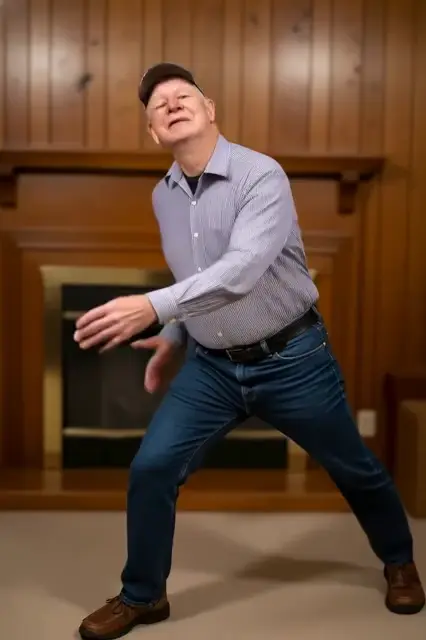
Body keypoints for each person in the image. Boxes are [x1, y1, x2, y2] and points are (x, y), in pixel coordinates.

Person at [74, 63, 425, 639]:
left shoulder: (261, 175)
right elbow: (193, 278)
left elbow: (240, 271)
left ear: (210, 110)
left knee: (353, 468)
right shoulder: (163, 197)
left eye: (183, 95)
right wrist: (174, 334)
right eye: (158, 105)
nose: (171, 104)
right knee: (153, 466)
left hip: (293, 360)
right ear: (154, 133)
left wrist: (154, 307)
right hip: (211, 368)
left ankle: (399, 560)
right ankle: (144, 595)